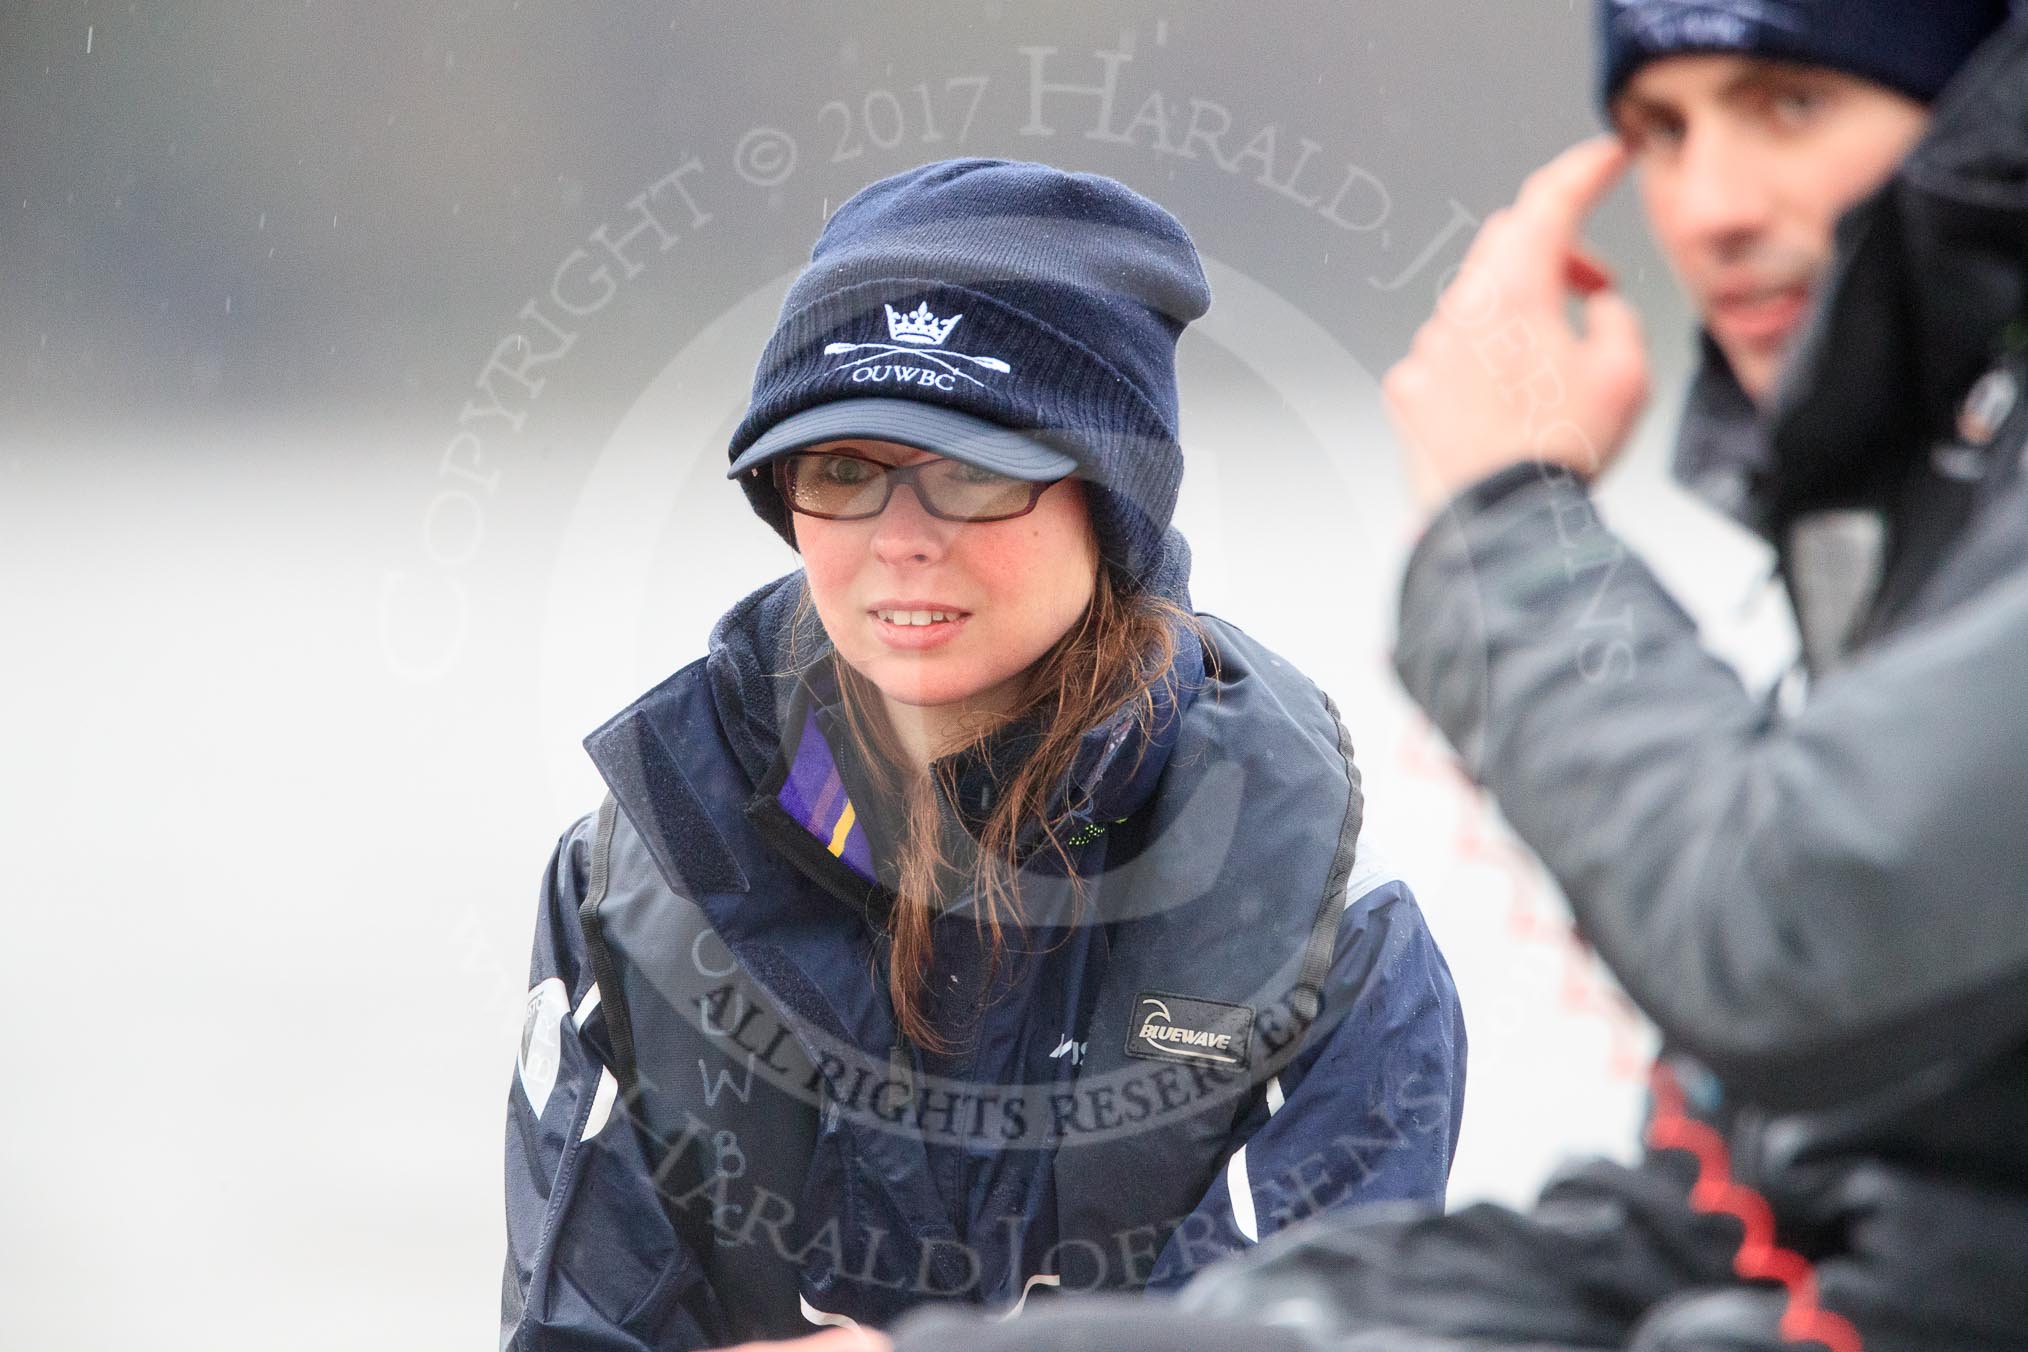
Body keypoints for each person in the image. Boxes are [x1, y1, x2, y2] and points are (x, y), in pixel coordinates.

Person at [886, 4, 2028, 1350]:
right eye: (1659, 130)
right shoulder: (1923, 551)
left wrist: (1509, 521)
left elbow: (1787, 929)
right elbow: (1692, 1232)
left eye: (1791, 106)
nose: (1711, 206)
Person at [500, 158, 1466, 1350]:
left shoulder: (1343, 947)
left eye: (973, 471)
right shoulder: (625, 885)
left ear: (1110, 502)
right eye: (843, 469)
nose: (901, 540)